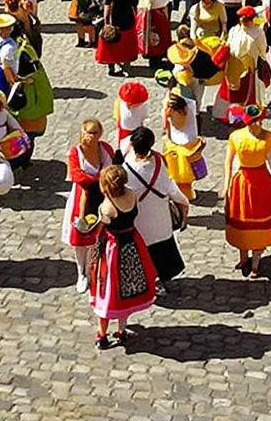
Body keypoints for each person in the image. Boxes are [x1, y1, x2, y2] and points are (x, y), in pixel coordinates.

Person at [85, 164, 158, 348]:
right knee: (127, 289)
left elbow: (100, 227)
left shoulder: (108, 206)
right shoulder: (132, 194)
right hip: (133, 243)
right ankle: (121, 329)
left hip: (113, 249)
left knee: (107, 289)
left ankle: (102, 334)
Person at [121, 124, 184, 286]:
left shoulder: (125, 169)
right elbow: (173, 191)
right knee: (161, 255)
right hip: (161, 223)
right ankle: (159, 280)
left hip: (139, 224)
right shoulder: (159, 162)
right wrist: (184, 208)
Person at [221, 105, 271, 277]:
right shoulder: (236, 137)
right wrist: (226, 185)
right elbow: (228, 162)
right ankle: (243, 258)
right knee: (242, 221)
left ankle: (255, 263)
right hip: (241, 183)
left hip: (262, 184)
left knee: (260, 223)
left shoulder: (269, 138)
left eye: (260, 121)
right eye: (254, 122)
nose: (258, 124)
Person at [64, 115, 116, 290]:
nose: (91, 136)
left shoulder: (105, 149)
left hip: (105, 197)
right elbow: (77, 176)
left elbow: (113, 168)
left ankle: (97, 268)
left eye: (94, 133)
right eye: (88, 132)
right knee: (81, 237)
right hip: (83, 199)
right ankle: (82, 273)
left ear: (100, 133)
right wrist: (100, 179)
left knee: (103, 235)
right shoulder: (76, 152)